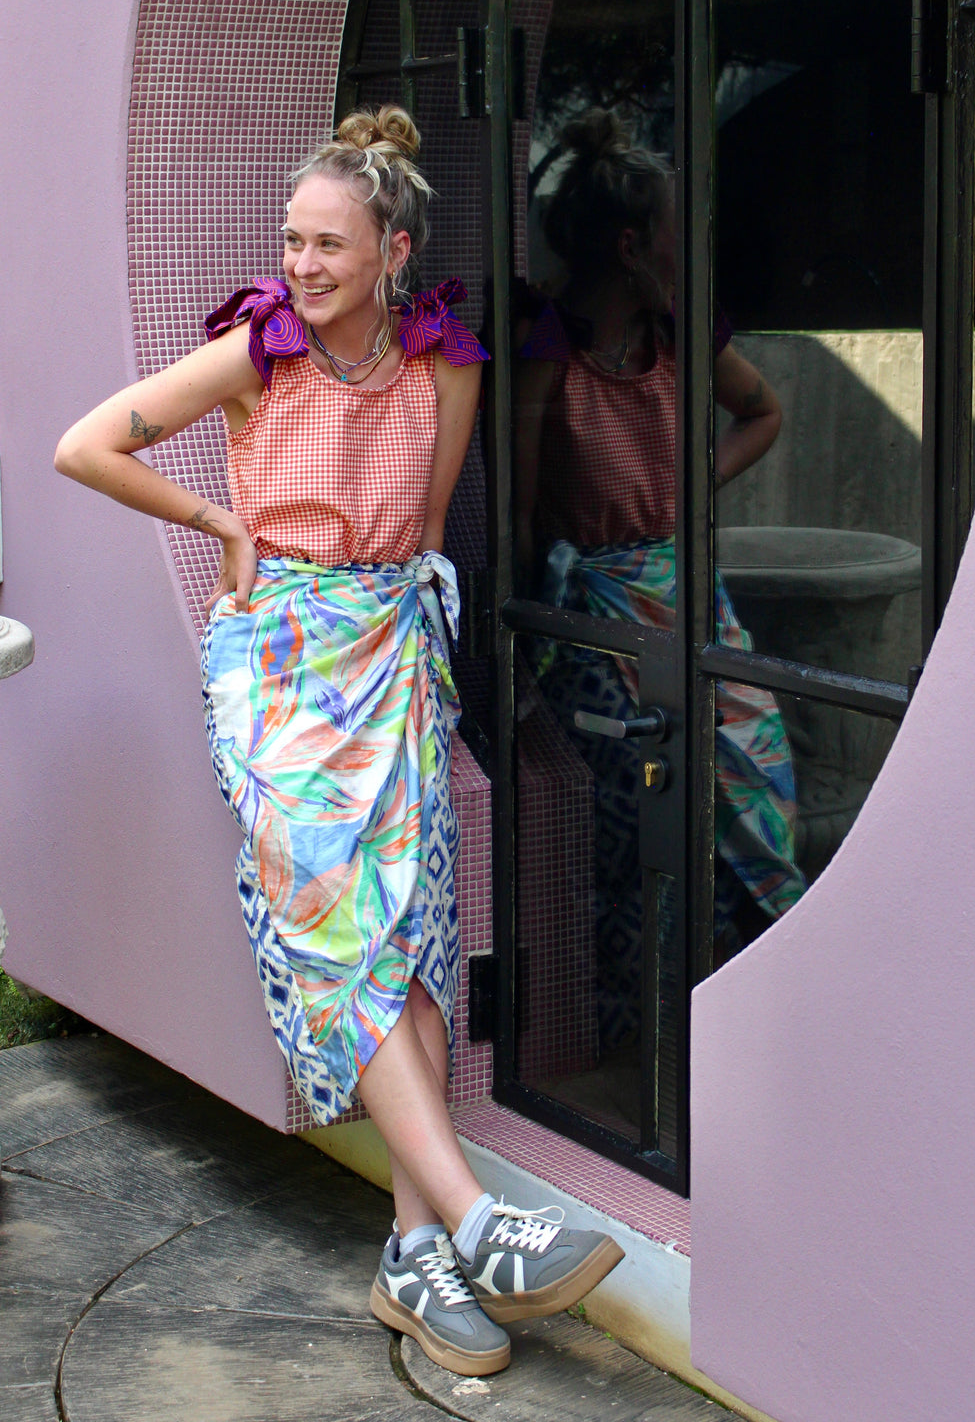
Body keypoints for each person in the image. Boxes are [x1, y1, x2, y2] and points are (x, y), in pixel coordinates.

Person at [55, 105, 622, 1379]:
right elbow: (83, 445)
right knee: (334, 925)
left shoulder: (450, 362)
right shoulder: (257, 354)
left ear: (394, 251)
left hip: (392, 651)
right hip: (277, 664)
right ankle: (482, 1224)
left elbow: (423, 531)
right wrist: (220, 519)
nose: (302, 266)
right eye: (292, 242)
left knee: (410, 936)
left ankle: (416, 1262)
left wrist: (399, 625)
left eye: (328, 246)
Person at [515, 108, 806, 1021]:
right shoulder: (546, 351)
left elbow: (762, 414)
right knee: (646, 810)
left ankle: (748, 994)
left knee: (757, 771)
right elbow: (522, 515)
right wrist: (523, 649)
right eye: (685, 229)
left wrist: (692, 491)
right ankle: (652, 1021)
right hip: (595, 622)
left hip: (691, 599)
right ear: (636, 245)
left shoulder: (685, 335)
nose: (698, 245)